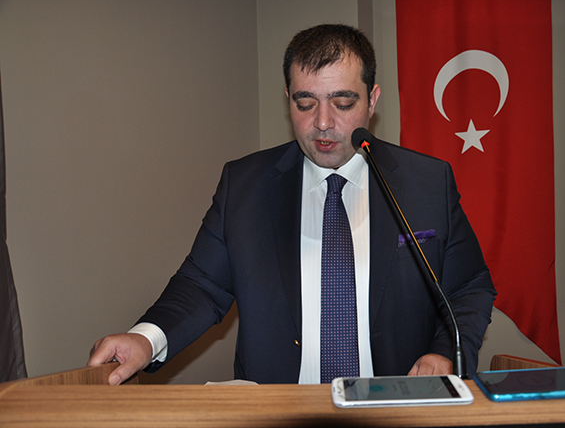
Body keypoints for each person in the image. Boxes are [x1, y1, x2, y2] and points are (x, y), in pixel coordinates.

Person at [88, 24, 496, 385]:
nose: (323, 122)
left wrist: (445, 352)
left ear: (372, 100)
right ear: (288, 99)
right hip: (278, 409)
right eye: (305, 103)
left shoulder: (426, 183)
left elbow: (468, 286)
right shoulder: (244, 185)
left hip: (395, 406)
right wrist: (146, 338)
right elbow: (202, 286)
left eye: (343, 103)